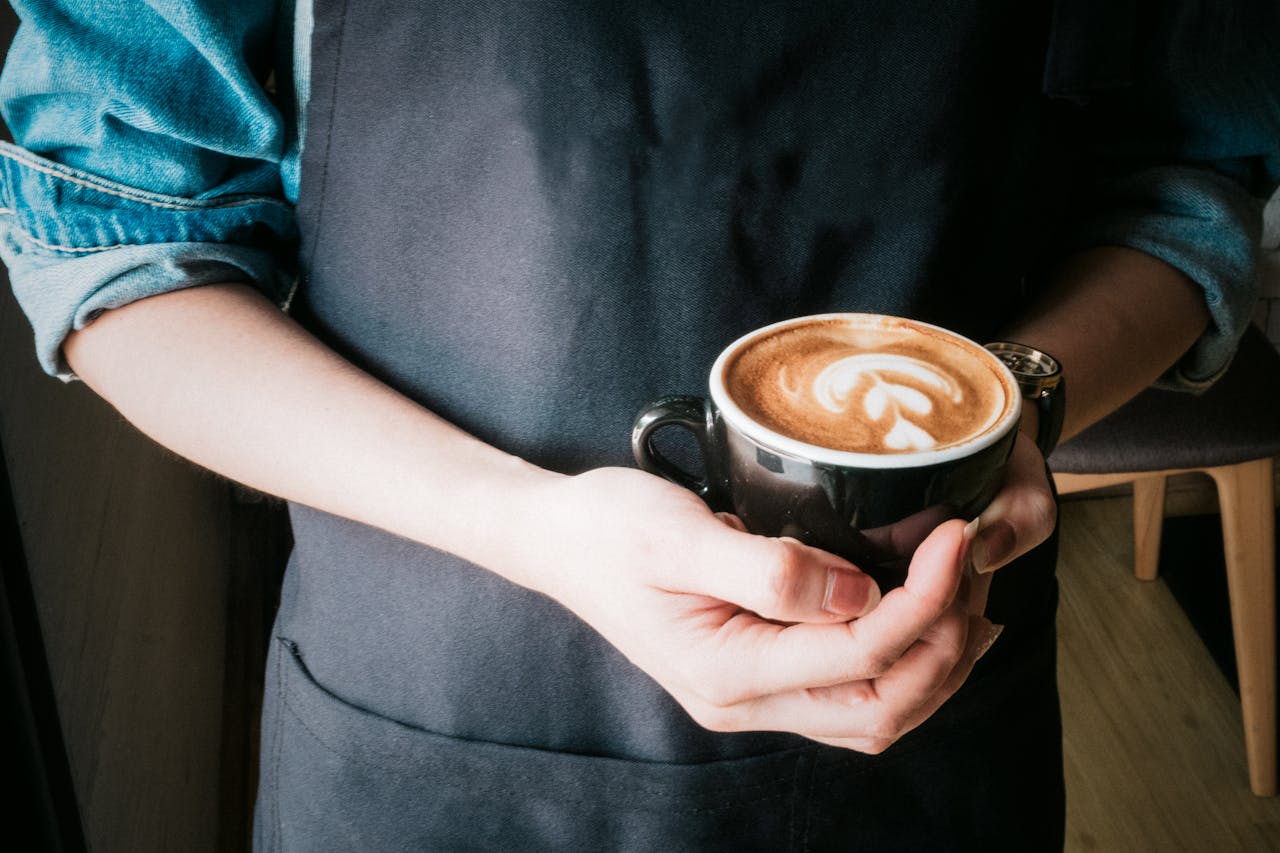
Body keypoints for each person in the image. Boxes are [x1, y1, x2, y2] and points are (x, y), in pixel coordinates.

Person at [1, 1, 1276, 849]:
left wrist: (1018, 408)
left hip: (922, 705)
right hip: (429, 710)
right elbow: (125, 243)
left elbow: (1183, 174)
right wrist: (525, 524)